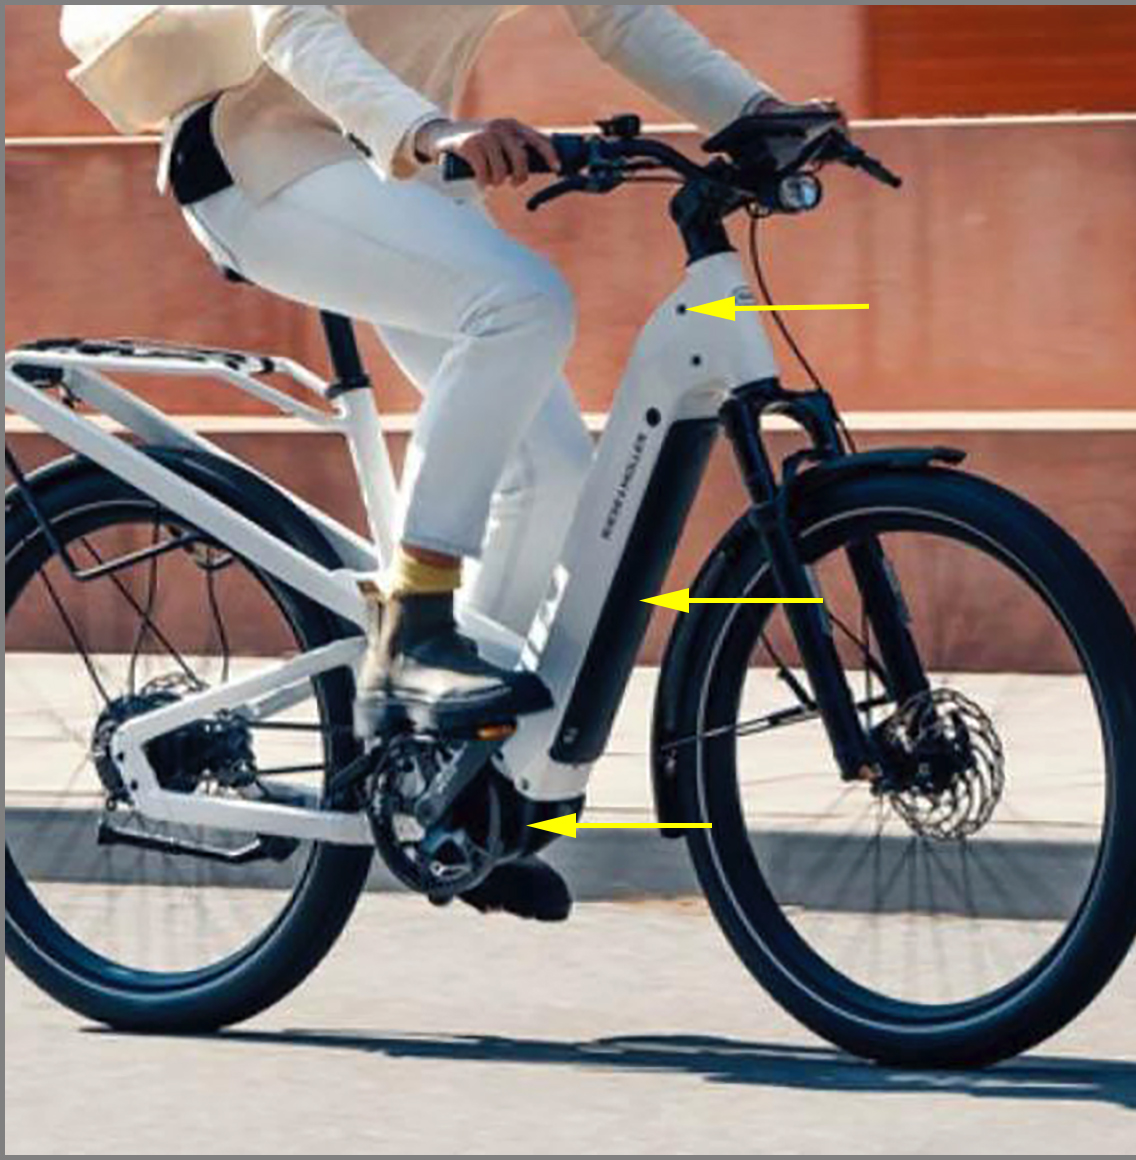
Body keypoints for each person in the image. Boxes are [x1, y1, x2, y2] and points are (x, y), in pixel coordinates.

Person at [158, 5, 832, 920]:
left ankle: (453, 785)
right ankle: (413, 626)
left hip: (399, 171)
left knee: (553, 475)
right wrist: (430, 129)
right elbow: (292, 25)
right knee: (522, 304)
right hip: (266, 161)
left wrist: (753, 114)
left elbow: (617, 13)